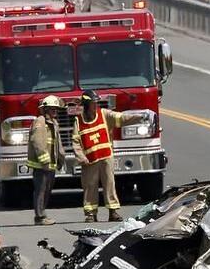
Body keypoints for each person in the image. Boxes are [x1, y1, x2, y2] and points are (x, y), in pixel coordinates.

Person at [72, 89, 151, 221]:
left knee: (109, 184)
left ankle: (113, 212)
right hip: (89, 161)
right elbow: (76, 141)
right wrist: (81, 157)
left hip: (106, 158)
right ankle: (91, 214)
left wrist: (141, 116)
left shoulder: (104, 114)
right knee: (89, 187)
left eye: (96, 102)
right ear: (86, 105)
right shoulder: (78, 121)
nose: (95, 105)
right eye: (93, 103)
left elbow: (121, 118)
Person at [28, 95, 65, 226]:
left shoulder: (54, 123)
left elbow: (57, 144)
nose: (55, 112)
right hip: (41, 165)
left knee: (47, 190)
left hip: (50, 165)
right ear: (45, 110)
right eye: (52, 109)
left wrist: (61, 158)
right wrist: (44, 161)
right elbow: (37, 142)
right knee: (41, 190)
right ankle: (40, 217)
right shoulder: (40, 121)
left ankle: (42, 214)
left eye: (56, 109)